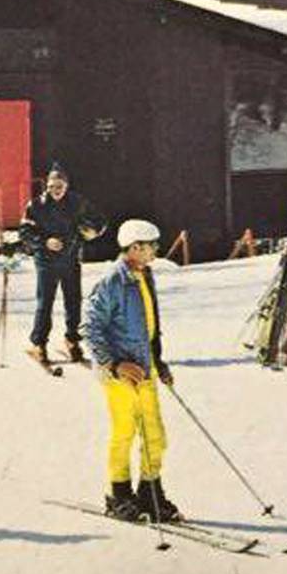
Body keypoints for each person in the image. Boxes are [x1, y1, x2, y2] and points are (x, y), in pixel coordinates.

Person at [84, 219, 179, 523]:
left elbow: (150, 327)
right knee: (125, 432)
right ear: (135, 247)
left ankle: (150, 493)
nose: (155, 251)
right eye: (152, 246)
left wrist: (158, 361)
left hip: (145, 369)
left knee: (155, 435)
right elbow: (91, 328)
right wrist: (114, 364)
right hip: (119, 375)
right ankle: (119, 494)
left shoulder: (144, 275)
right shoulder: (112, 281)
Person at [19, 162, 106, 365]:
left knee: (73, 300)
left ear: (66, 186)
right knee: (45, 302)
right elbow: (24, 232)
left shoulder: (77, 202)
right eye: (51, 187)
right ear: (47, 186)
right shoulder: (36, 205)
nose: (55, 191)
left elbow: (100, 221)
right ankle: (38, 343)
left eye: (59, 186)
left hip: (70, 258)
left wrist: (89, 233)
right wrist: (45, 241)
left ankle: (71, 340)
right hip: (46, 260)